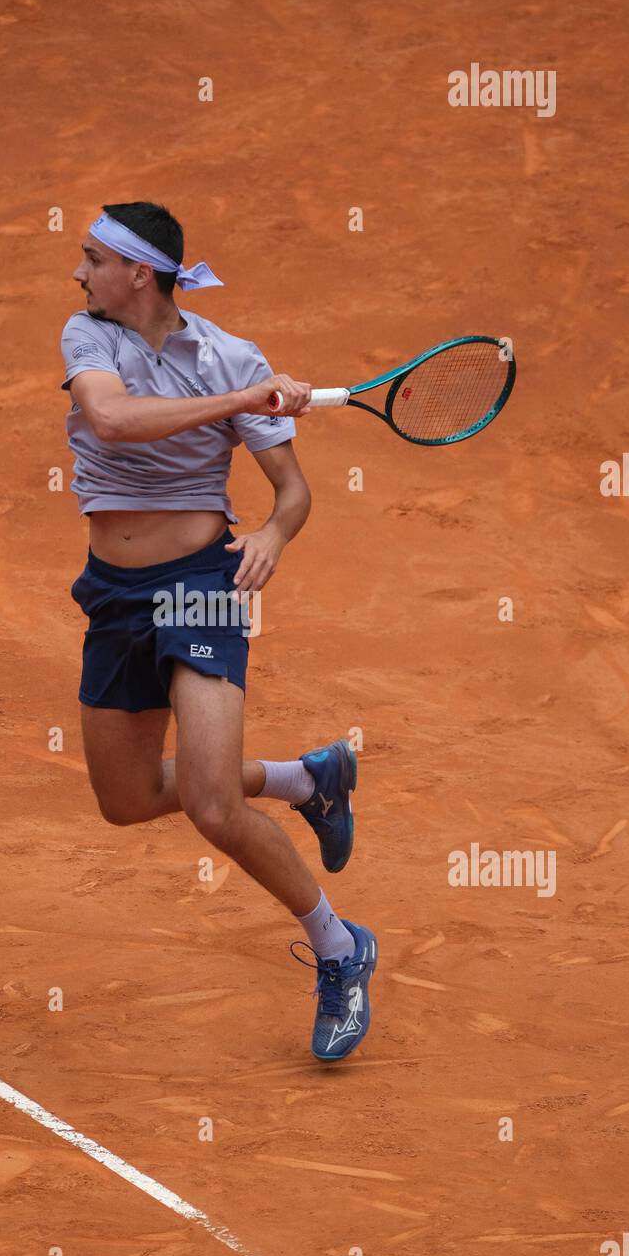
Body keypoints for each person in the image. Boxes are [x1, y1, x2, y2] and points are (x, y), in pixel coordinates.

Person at [60, 201, 376, 1061]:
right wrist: (240, 401)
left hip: (201, 586)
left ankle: (341, 950)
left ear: (138, 273)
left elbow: (295, 492)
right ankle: (306, 779)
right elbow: (112, 421)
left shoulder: (233, 355)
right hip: (116, 594)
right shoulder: (90, 340)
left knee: (209, 806)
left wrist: (272, 533)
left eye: (90, 258)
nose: (76, 273)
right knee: (124, 801)